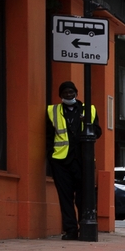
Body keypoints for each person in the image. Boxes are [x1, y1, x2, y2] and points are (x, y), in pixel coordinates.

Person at [46, 81, 101, 240]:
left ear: (76, 93)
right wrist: (51, 156)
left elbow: (98, 132)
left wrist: (87, 124)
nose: (68, 95)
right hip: (61, 161)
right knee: (65, 197)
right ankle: (70, 230)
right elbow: (49, 136)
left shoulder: (89, 109)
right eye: (65, 93)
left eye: (71, 92)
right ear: (60, 95)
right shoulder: (52, 110)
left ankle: (84, 226)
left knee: (84, 197)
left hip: (83, 161)